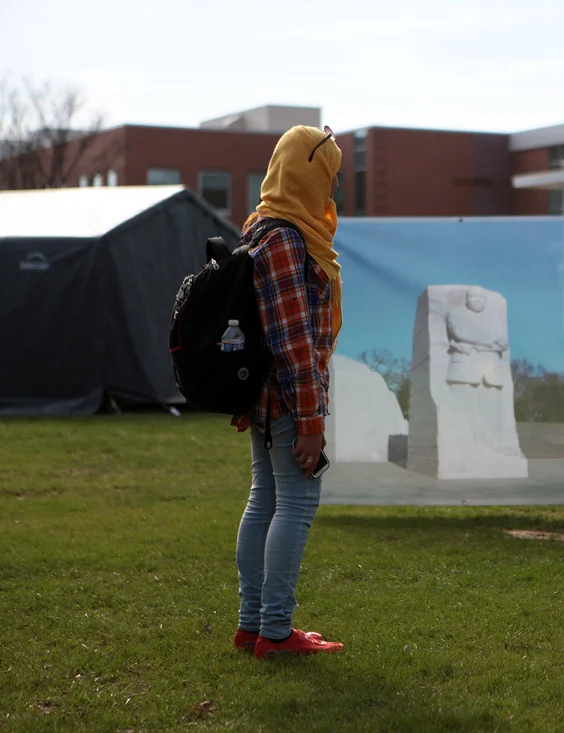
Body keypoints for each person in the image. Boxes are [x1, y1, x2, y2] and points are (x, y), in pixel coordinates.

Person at [228, 125, 346, 660]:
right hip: (288, 399)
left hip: (262, 396)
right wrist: (312, 422)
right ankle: (274, 632)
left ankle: (253, 627)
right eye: (329, 174)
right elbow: (295, 340)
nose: (331, 188)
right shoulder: (288, 239)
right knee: (295, 503)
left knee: (265, 501)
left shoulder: (258, 229)